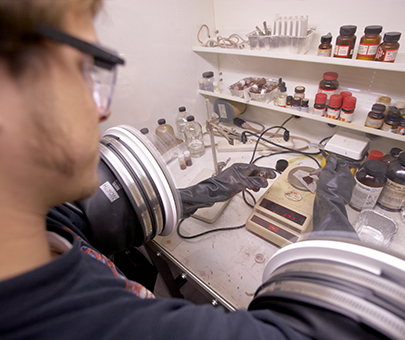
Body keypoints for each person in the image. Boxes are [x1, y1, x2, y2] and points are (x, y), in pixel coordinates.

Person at [0, 1, 388, 340]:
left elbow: (110, 214)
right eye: (85, 70)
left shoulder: (49, 223)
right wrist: (331, 204)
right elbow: (348, 324)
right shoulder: (79, 324)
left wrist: (215, 187)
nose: (102, 109)